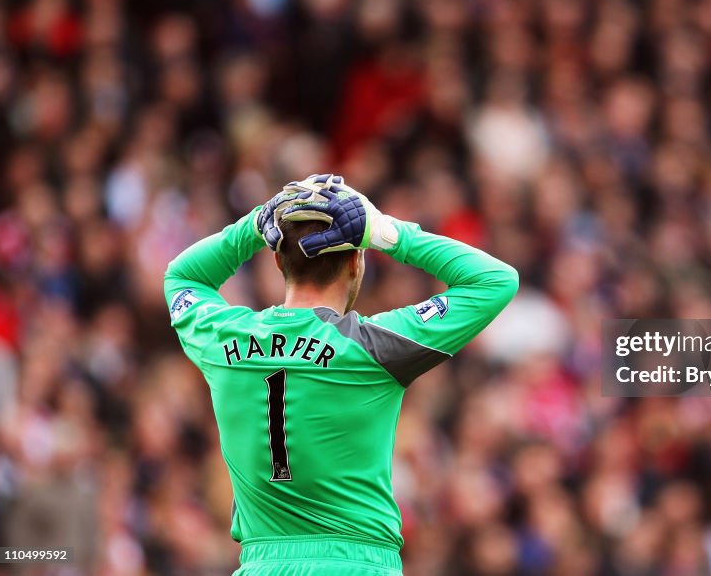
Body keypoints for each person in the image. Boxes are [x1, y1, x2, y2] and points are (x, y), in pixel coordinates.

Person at [163, 174, 519, 575]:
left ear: (278, 260)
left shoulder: (222, 339)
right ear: (356, 260)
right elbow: (495, 281)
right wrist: (387, 231)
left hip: (260, 565)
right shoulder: (370, 346)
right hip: (358, 565)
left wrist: (257, 223)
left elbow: (181, 277)